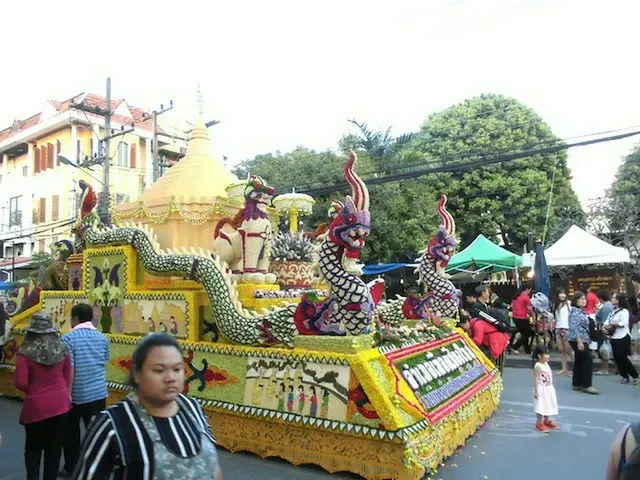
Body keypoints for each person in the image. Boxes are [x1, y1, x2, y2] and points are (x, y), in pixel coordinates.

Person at [73, 333, 223, 479]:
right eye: (159, 370)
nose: (170, 378)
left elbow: (213, 467)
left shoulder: (192, 408)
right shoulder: (111, 426)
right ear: (137, 374)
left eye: (177, 369)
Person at [14, 312, 72, 480]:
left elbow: (21, 383)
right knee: (54, 449)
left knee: (33, 448)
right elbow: (67, 374)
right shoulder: (62, 349)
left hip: (36, 407)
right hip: (61, 404)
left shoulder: (25, 353)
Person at [60, 303, 110, 477]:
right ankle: (95, 467)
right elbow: (104, 361)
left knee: (71, 433)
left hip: (76, 394)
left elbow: (70, 369)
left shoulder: (68, 339)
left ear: (75, 318)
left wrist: (67, 393)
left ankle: (72, 467)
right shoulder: (103, 338)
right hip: (98, 393)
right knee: (95, 432)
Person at [567, 291, 599, 394]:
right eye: (580, 299)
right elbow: (574, 327)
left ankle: (577, 383)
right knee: (588, 360)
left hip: (583, 338)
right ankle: (586, 384)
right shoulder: (575, 312)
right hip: (579, 339)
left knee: (580, 360)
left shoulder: (581, 311)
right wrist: (579, 341)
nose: (583, 301)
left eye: (584, 299)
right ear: (575, 300)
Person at [604, 292, 639, 385]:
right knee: (616, 358)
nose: (612, 299)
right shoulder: (613, 311)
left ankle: (635, 375)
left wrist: (612, 324)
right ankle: (624, 376)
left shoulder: (624, 311)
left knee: (622, 357)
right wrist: (605, 327)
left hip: (623, 337)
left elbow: (623, 323)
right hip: (614, 337)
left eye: (614, 298)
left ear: (618, 300)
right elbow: (606, 322)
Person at [531, 344, 559, 433]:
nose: (548, 356)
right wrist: (536, 391)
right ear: (539, 356)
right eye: (545, 354)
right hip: (541, 389)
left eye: (548, 353)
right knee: (541, 405)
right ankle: (539, 423)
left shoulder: (546, 364)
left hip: (548, 388)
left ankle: (546, 420)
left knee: (548, 404)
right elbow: (536, 379)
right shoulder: (538, 366)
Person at [595, 289, 614, 376]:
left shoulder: (605, 307)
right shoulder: (610, 305)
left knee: (603, 350)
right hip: (610, 330)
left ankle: (604, 369)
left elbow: (603, 321)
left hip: (603, 330)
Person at [511, 284, 534, 355]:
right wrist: (533, 316)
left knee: (524, 334)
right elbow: (530, 309)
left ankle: (527, 350)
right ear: (527, 289)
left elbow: (512, 306)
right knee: (528, 333)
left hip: (515, 317)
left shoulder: (516, 296)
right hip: (522, 318)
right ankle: (515, 347)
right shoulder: (526, 297)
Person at [553, 287, 572, 376]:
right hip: (558, 328)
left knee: (568, 350)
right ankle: (564, 369)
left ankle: (577, 368)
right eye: (560, 293)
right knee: (561, 350)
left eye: (564, 293)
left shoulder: (569, 304)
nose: (562, 295)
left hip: (567, 328)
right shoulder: (556, 304)